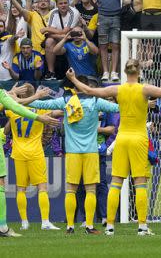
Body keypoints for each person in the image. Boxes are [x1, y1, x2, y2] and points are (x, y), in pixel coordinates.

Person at [65, 58, 161, 235]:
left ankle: (109, 226)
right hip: (139, 138)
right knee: (140, 183)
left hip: (122, 138)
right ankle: (142, 226)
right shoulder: (145, 89)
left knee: (116, 183)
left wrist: (73, 79)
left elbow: (88, 90)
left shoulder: (117, 89)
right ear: (139, 72)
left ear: (124, 72)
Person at [26, 70, 120, 234]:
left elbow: (40, 104)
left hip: (72, 152)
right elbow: (118, 107)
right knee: (91, 189)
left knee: (71, 189)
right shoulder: (97, 102)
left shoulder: (66, 101)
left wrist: (22, 100)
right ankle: (89, 226)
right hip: (91, 151)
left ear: (75, 88)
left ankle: (70, 226)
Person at [0, 84, 58, 237]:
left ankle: (24, 222)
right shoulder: (40, 111)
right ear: (35, 93)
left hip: (18, 153)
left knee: (21, 189)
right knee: (42, 187)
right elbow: (58, 112)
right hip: (35, 152)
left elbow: (9, 108)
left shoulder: (13, 111)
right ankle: (45, 221)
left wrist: (13, 95)